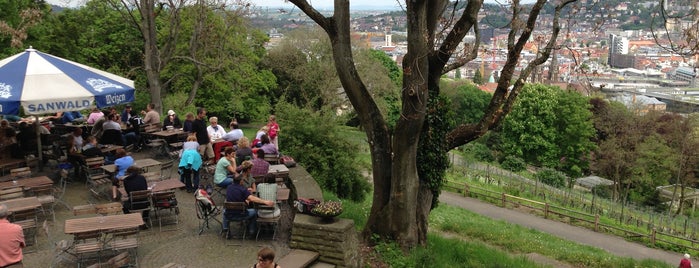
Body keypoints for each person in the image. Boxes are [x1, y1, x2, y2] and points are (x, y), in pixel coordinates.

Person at [222, 169, 274, 238]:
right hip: (241, 214)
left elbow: (235, 196)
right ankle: (252, 231)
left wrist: (244, 199)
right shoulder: (243, 189)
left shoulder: (228, 188)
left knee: (224, 211)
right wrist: (265, 201)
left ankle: (225, 230)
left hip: (229, 214)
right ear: (241, 181)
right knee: (254, 211)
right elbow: (252, 198)